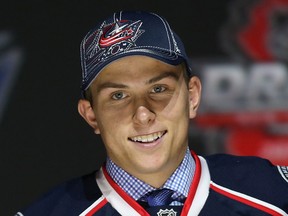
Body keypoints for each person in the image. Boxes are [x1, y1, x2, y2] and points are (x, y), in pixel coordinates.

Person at [15, 10, 288, 216]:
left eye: (159, 88)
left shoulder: (275, 195)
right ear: (91, 115)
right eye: (118, 96)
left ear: (192, 96)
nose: (143, 114)